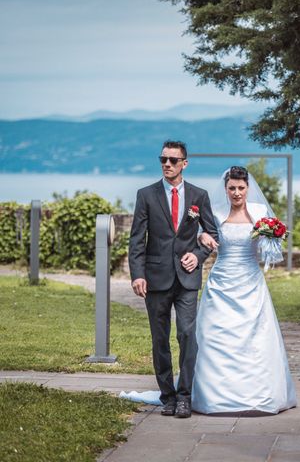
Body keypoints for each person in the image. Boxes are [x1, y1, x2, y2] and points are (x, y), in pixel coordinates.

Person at [122, 165, 297, 415]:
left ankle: (257, 391)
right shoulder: (214, 210)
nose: (236, 193)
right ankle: (201, 393)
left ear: (248, 188)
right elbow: (197, 234)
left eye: (241, 188)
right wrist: (202, 240)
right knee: (211, 335)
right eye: (232, 188)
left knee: (255, 336)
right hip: (222, 281)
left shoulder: (260, 212)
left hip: (250, 281)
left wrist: (272, 237)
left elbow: (270, 252)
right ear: (225, 189)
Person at [128, 140, 218, 418]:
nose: (167, 164)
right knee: (160, 339)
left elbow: (212, 235)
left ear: (184, 164)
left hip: (188, 279)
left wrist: (199, 256)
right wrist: (137, 274)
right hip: (155, 278)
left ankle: (184, 396)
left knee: (187, 335)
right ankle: (167, 395)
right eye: (163, 159)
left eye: (173, 160)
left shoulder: (198, 195)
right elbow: (136, 239)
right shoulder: (146, 195)